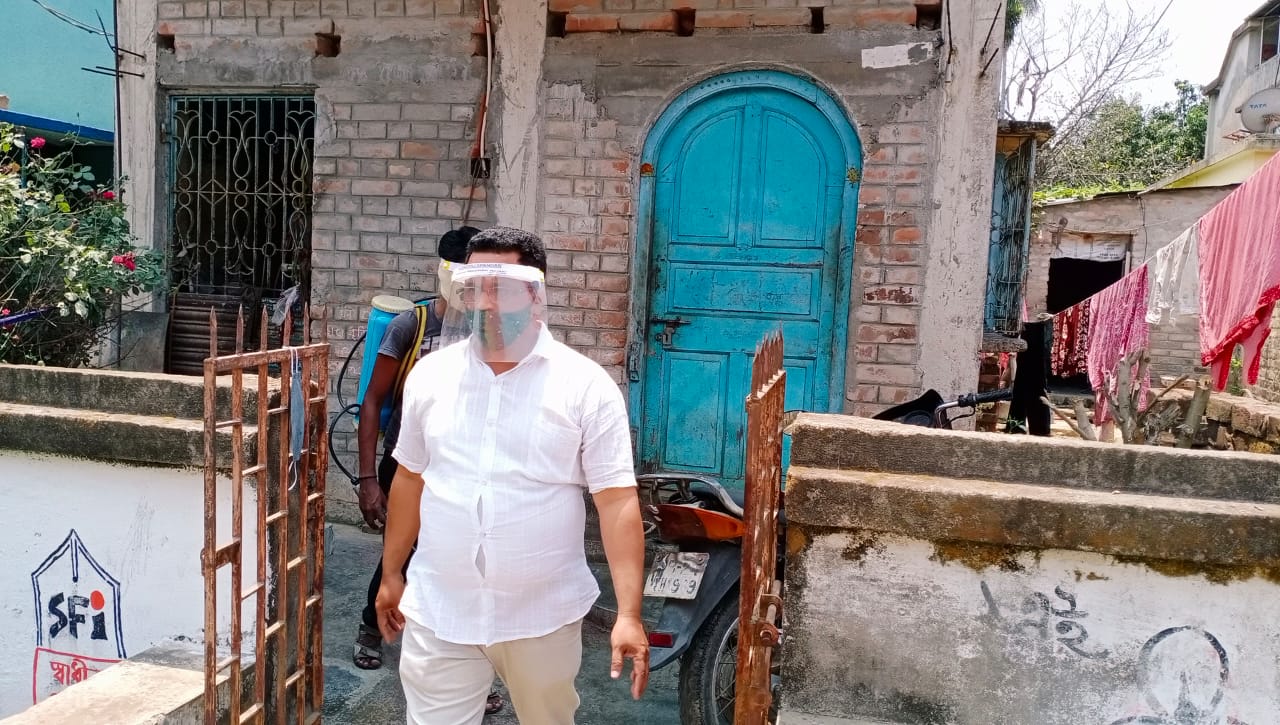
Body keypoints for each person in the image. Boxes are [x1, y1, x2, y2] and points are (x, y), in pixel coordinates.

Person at [376, 227, 649, 725]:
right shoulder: (431, 377)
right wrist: (393, 572)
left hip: (540, 616)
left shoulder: (584, 386)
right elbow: (411, 478)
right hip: (440, 609)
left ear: (535, 293)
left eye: (500, 287)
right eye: (475, 287)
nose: (485, 302)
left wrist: (629, 613)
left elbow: (615, 500)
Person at [351, 225, 503, 716]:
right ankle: (372, 628)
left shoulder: (494, 332)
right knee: (401, 549)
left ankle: (472, 668)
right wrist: (368, 479)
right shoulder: (411, 326)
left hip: (469, 469)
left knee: (467, 561)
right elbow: (373, 400)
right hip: (408, 463)